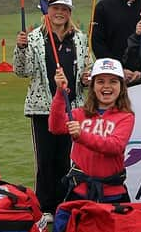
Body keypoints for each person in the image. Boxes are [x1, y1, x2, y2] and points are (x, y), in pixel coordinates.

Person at [14, 0, 88, 222]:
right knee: (46, 161)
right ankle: (45, 208)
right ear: (47, 11)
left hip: (72, 108)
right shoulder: (34, 38)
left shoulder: (80, 39)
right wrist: (20, 49)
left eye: (64, 9)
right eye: (55, 8)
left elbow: (88, 68)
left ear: (70, 13)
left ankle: (64, 205)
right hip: (42, 109)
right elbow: (22, 71)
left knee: (67, 159)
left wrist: (88, 78)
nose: (60, 12)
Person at [49, 58, 134, 203]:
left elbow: (114, 146)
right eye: (100, 81)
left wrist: (82, 135)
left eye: (113, 81)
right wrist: (59, 92)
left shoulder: (126, 117)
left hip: (112, 194)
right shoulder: (79, 113)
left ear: (121, 87)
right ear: (93, 86)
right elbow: (55, 127)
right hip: (80, 191)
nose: (106, 86)